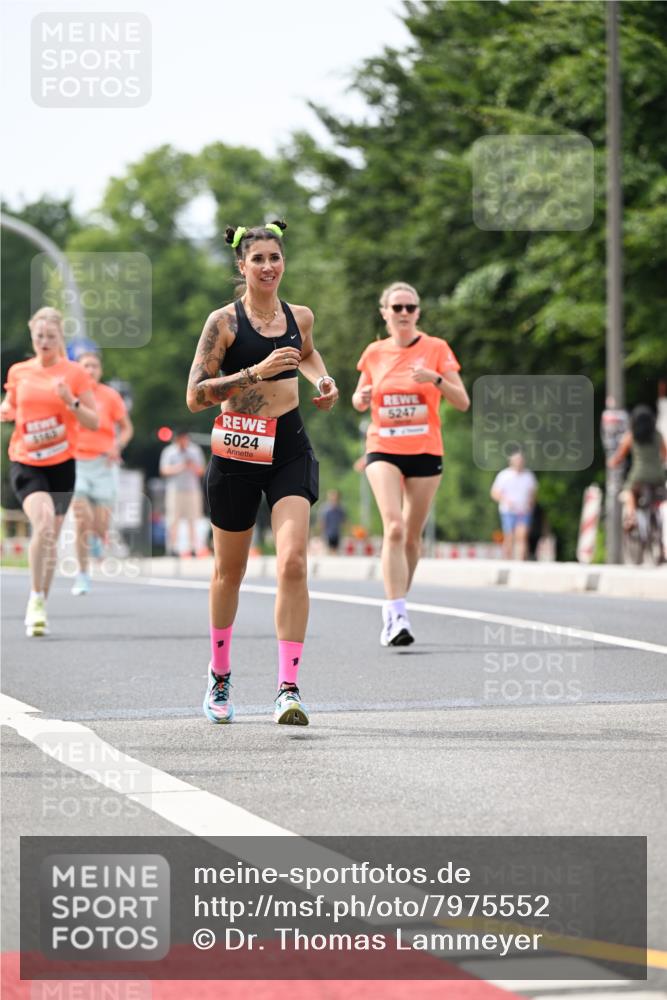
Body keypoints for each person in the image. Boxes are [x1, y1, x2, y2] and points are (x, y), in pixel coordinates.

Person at [186, 220, 338, 726]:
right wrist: (255, 372)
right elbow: (195, 396)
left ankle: (288, 688)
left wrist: (323, 380)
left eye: (275, 257)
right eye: (258, 259)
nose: (268, 266)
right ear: (242, 265)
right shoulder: (224, 323)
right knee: (229, 572)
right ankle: (220, 674)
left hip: (288, 447)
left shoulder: (300, 316)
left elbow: (307, 354)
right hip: (237, 450)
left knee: (293, 562)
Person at [352, 281, 469, 646]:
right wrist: (361, 397)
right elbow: (358, 398)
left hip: (425, 449)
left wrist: (435, 379)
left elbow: (462, 401)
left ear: (418, 313)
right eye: (397, 307)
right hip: (382, 447)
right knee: (394, 527)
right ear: (384, 313)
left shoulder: (436, 349)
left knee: (412, 537)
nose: (404, 313)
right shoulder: (374, 352)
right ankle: (397, 614)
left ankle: (397, 603)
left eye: (410, 307)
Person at [1, 307, 98, 636]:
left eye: (51, 337)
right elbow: (12, 404)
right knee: (42, 523)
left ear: (60, 339)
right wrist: (6, 409)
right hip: (26, 461)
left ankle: (42, 598)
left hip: (61, 465)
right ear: (32, 336)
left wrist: (70, 401)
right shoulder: (19, 372)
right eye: (39, 336)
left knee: (50, 538)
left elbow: (93, 421)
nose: (44, 341)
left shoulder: (74, 374)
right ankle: (34, 599)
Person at [70, 351, 134, 595]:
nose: (90, 370)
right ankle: (82, 575)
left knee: (100, 524)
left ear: (100, 370)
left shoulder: (110, 396)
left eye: (94, 366)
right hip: (76, 461)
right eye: (85, 366)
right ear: (78, 369)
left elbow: (126, 428)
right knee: (81, 519)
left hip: (104, 463)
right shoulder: (70, 395)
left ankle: (98, 539)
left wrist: (118, 445)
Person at [607, 404, 666, 528]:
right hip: (658, 476)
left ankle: (631, 517)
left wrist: (611, 462)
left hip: (638, 476)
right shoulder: (658, 435)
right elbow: (665, 454)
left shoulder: (631, 436)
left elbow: (619, 457)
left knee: (628, 492)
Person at [159, 430, 206, 557]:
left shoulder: (195, 451)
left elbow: (201, 471)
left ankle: (193, 547)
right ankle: (172, 547)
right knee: (173, 519)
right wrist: (180, 467)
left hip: (192, 489)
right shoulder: (169, 451)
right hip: (175, 490)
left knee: (193, 519)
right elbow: (163, 470)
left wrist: (192, 466)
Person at [490, 449, 538, 560]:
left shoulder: (529, 476)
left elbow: (533, 493)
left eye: (520, 460)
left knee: (522, 536)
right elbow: (494, 493)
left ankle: (521, 561)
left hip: (523, 510)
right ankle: (508, 560)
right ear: (511, 461)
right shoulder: (504, 475)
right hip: (508, 510)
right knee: (509, 536)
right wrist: (505, 500)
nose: (519, 462)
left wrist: (531, 504)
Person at [319, 489, 347, 553]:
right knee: (328, 551)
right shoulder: (325, 508)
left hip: (337, 534)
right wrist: (322, 533)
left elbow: (344, 521)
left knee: (336, 551)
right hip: (327, 534)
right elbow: (322, 522)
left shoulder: (341, 509)